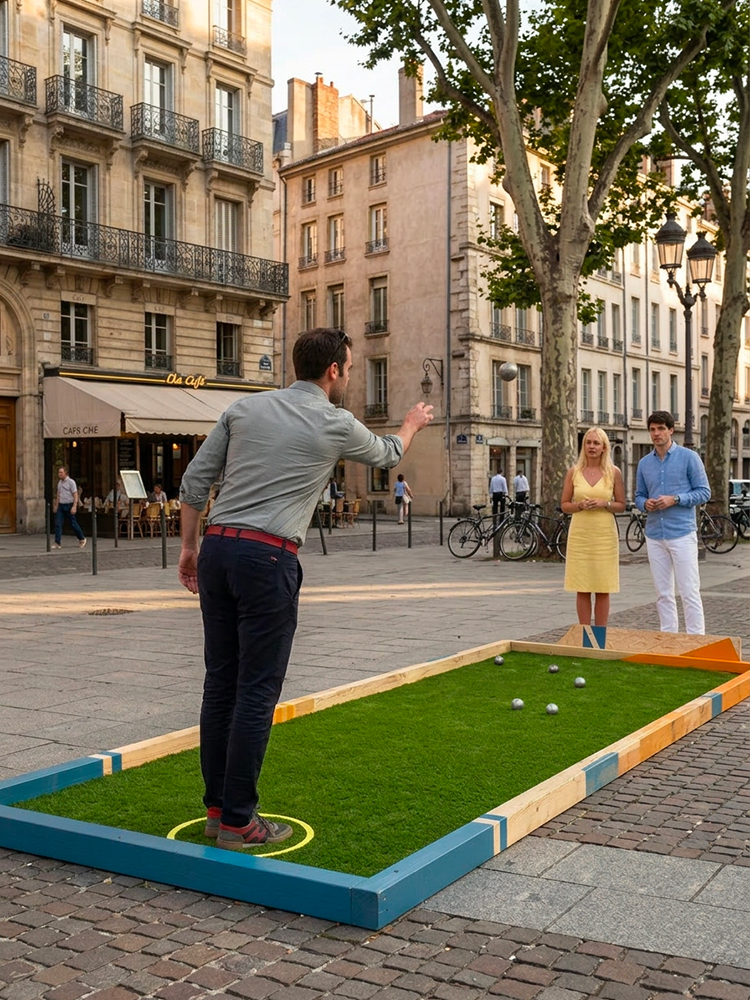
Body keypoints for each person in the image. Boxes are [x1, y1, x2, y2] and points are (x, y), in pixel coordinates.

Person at [177, 328, 433, 850]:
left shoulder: (243, 409)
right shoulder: (334, 421)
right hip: (267, 556)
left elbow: (195, 482)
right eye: (350, 368)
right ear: (334, 370)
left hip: (218, 547)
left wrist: (188, 547)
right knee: (256, 689)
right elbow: (387, 454)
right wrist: (410, 424)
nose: (350, 375)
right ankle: (239, 821)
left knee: (220, 683)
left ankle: (217, 810)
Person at [635, 410, 710, 634]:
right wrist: (645, 504)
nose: (656, 434)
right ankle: (668, 637)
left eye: (660, 429)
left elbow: (704, 492)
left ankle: (696, 639)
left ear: (671, 430)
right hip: (655, 534)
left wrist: (675, 499)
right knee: (663, 593)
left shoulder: (689, 458)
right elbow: (639, 495)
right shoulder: (644, 464)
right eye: (652, 430)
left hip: (682, 534)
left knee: (689, 590)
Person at [561, 427, 625, 626]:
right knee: (582, 586)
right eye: (588, 442)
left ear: (604, 447)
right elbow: (564, 505)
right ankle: (585, 633)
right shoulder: (574, 472)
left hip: (604, 536)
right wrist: (579, 505)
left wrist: (605, 503)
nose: (592, 446)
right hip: (580, 535)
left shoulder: (614, 473)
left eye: (596, 443)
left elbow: (621, 505)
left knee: (603, 587)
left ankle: (599, 635)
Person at [52, 466, 86, 550]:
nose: (59, 474)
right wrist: (56, 505)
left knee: (73, 523)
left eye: (61, 472)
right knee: (58, 523)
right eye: (59, 472)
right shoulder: (60, 483)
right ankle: (57, 542)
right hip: (61, 505)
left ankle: (81, 538)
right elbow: (58, 495)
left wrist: (74, 506)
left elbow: (75, 494)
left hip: (69, 504)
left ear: (65, 473)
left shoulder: (71, 482)